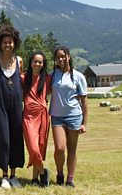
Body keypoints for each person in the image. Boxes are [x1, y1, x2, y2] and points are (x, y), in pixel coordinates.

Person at [0, 24, 24, 189]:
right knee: (3, 139)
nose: (7, 45)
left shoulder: (19, 61)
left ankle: (13, 175)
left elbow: (21, 81)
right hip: (0, 106)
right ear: (0, 44)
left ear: (14, 43)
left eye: (10, 42)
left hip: (16, 105)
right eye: (4, 42)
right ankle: (3, 175)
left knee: (16, 138)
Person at [50, 46, 88, 187]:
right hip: (57, 117)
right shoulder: (52, 75)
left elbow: (84, 102)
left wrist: (84, 122)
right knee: (60, 148)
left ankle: (70, 178)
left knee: (72, 149)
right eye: (58, 57)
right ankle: (60, 173)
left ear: (69, 57)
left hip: (74, 116)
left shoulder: (78, 76)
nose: (60, 59)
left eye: (63, 56)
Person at [21, 51, 51, 187]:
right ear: (30, 62)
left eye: (40, 62)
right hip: (28, 116)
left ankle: (34, 179)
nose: (37, 64)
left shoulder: (48, 79)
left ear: (43, 64)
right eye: (35, 61)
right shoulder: (23, 78)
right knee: (32, 147)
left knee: (38, 148)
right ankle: (43, 173)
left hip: (43, 115)